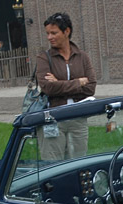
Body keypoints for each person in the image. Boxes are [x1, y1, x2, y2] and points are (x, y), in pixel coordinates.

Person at [35, 13, 95, 160]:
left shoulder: (82, 57)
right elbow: (47, 88)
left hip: (78, 118)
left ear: (66, 31)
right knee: (53, 163)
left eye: (54, 33)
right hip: (53, 119)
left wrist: (58, 82)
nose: (49, 37)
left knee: (79, 162)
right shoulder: (44, 58)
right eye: (47, 33)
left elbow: (91, 88)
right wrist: (78, 83)